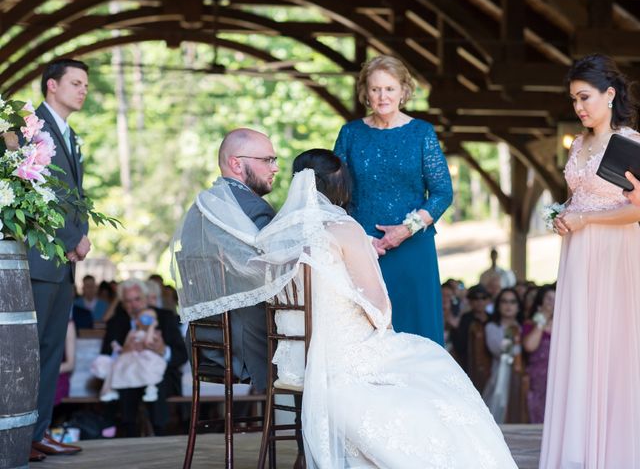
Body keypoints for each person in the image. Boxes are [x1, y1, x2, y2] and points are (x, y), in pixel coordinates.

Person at [173, 149, 517, 468]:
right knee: (435, 364)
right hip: (342, 354)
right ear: (338, 185)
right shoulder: (345, 228)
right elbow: (380, 308)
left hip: (294, 361)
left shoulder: (274, 234)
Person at [542, 54, 640, 468]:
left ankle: (614, 451)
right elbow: (581, 195)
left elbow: (637, 208)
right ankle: (579, 448)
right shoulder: (580, 143)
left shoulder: (630, 142)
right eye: (574, 100)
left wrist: (585, 218)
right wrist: (564, 215)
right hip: (578, 253)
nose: (579, 107)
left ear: (610, 95)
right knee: (579, 345)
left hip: (615, 255)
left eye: (585, 97)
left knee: (611, 347)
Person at [333, 55, 453, 344]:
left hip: (413, 247)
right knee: (365, 327)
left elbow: (442, 192)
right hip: (363, 249)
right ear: (365, 93)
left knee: (415, 327)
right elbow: (335, 193)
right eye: (375, 89)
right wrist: (360, 239)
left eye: (389, 88)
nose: (382, 96)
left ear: (403, 91)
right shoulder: (351, 134)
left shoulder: (421, 133)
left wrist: (405, 230)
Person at [174, 128, 278, 392]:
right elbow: (273, 275)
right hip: (247, 342)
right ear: (236, 163)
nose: (274, 168)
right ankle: (306, 429)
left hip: (205, 338)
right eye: (267, 160)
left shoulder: (199, 208)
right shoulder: (254, 210)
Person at [29, 59, 91, 461]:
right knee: (29, 350)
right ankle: (18, 432)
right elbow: (32, 189)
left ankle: (38, 431)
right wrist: (73, 237)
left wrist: (83, 234)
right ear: (52, 85)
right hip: (39, 258)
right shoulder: (29, 130)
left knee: (51, 349)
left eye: (86, 84)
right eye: (75, 82)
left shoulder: (70, 135)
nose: (83, 90)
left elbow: (72, 195)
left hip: (63, 262)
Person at [100, 279, 187, 436]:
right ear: (122, 303)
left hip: (162, 374)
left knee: (155, 382)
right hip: (127, 372)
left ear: (146, 298)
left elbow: (182, 356)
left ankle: (160, 434)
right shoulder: (116, 322)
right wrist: (124, 351)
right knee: (126, 381)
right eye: (128, 301)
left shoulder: (165, 317)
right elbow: (106, 355)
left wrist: (162, 350)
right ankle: (130, 433)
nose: (134, 305)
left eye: (137, 299)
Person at [95, 307, 167, 403]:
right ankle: (112, 389)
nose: (147, 320)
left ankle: (151, 388)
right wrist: (126, 348)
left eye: (151, 318)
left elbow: (148, 342)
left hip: (147, 357)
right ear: (137, 321)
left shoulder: (156, 333)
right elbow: (125, 346)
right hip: (132, 357)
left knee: (149, 367)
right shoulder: (132, 333)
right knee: (117, 365)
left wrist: (151, 327)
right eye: (144, 317)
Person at [482, 288, 523, 424]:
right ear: (498, 305)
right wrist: (513, 336)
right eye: (504, 301)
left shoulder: (524, 327)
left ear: (518, 306)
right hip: (499, 376)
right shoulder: (492, 327)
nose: (508, 306)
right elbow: (498, 350)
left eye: (512, 302)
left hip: (523, 377)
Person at [522, 284, 555, 424]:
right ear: (541, 301)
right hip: (538, 377)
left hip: (558, 374)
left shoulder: (566, 324)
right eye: (548, 299)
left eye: (555, 299)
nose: (552, 303)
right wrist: (542, 321)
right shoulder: (531, 324)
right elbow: (529, 346)